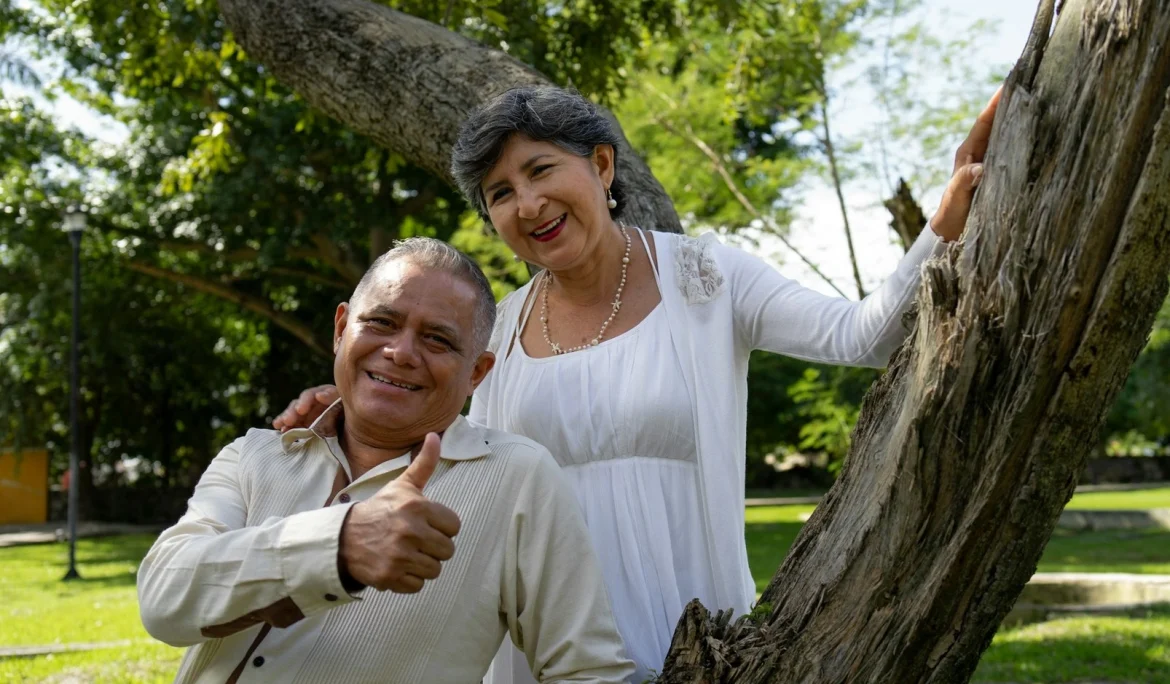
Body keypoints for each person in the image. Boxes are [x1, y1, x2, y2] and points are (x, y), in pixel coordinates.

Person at [274, 85, 1001, 682]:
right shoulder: (494, 333)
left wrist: (943, 224)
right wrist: (342, 404)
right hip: (541, 655)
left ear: (601, 165)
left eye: (539, 170)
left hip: (696, 644)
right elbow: (417, 432)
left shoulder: (708, 278)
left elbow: (864, 336)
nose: (526, 205)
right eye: (499, 193)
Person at [138, 237, 634, 684]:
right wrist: (337, 548)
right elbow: (164, 599)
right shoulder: (255, 454)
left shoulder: (517, 478)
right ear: (340, 329)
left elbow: (587, 671)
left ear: (477, 373)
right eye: (382, 323)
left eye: (438, 339)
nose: (400, 352)